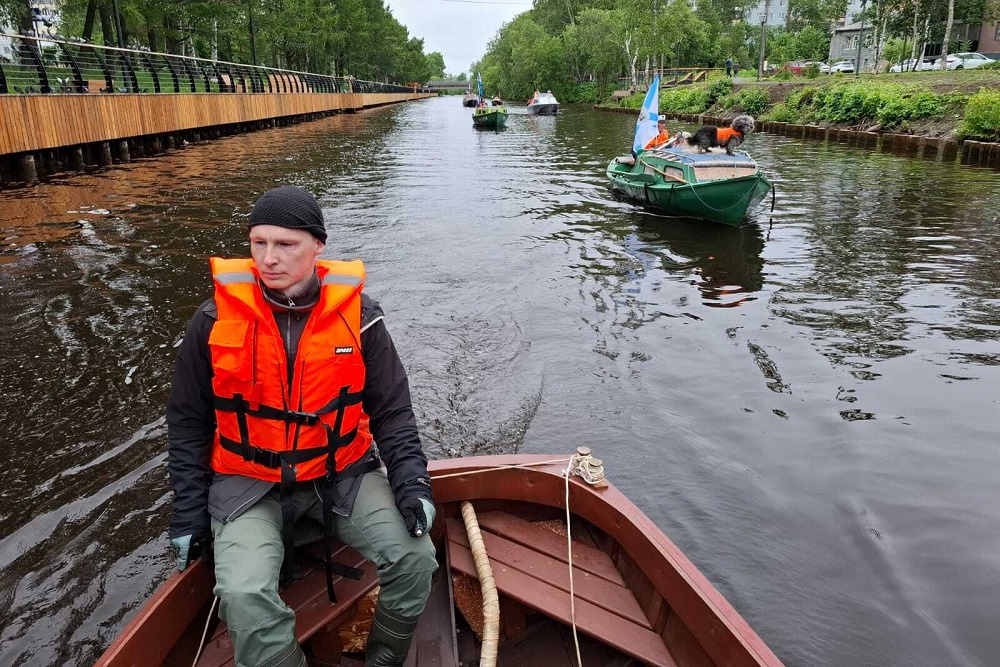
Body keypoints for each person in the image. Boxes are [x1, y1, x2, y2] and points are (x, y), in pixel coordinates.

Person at [166, 185, 438, 667]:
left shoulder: (363, 320)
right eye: (258, 243)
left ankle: (383, 660)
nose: (268, 259)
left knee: (415, 561)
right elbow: (188, 424)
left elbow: (393, 412)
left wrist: (413, 483)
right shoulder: (210, 321)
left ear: (318, 246)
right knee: (244, 595)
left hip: (343, 472)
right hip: (247, 482)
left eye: (285, 244)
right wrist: (188, 510)